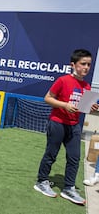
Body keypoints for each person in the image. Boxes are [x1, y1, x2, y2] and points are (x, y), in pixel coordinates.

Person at [33, 49, 99, 205]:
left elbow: (82, 107)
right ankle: (42, 182)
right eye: (83, 64)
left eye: (89, 64)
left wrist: (91, 108)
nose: (86, 67)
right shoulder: (62, 80)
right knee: (51, 154)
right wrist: (64, 105)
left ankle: (68, 188)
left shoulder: (87, 86)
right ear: (73, 65)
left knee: (74, 158)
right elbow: (47, 98)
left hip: (74, 126)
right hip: (57, 123)